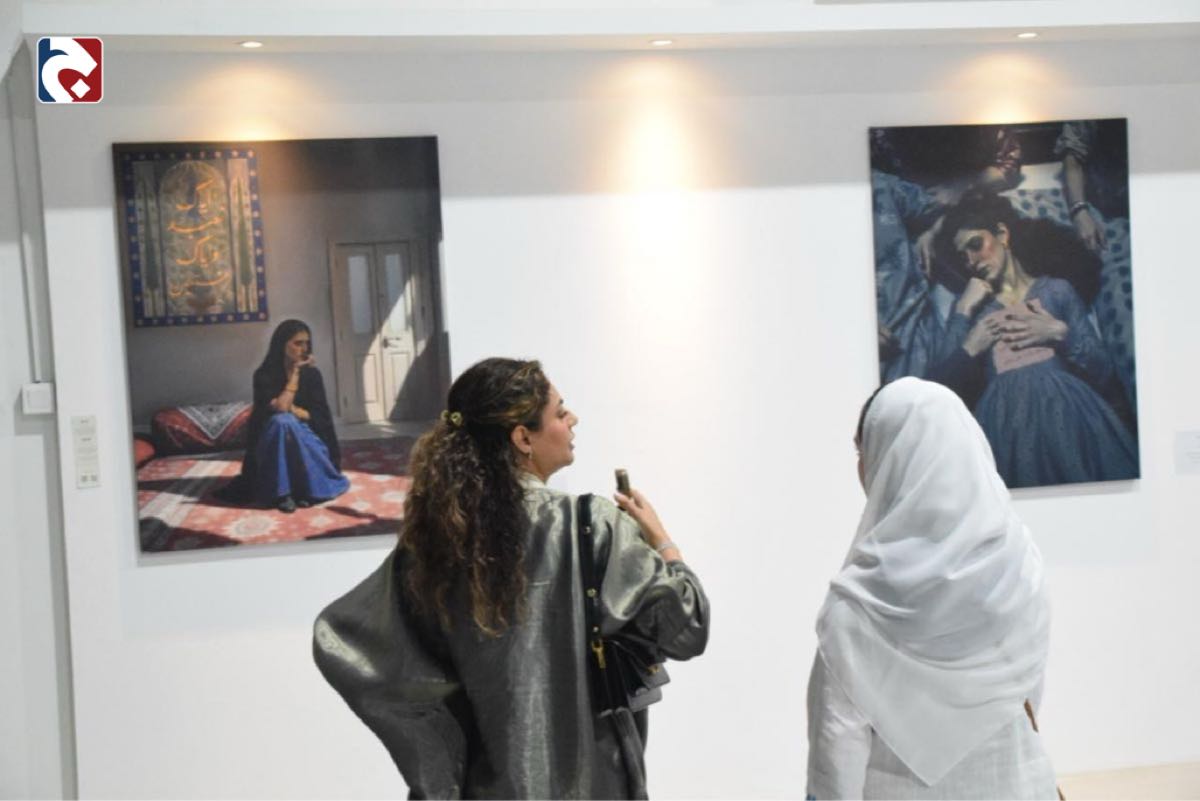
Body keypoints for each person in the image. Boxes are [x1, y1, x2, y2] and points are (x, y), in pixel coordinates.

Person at [313, 357, 709, 799]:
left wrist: (437, 754)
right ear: (522, 437)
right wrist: (663, 541)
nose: (573, 419)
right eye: (560, 412)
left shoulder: (434, 543)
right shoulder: (592, 524)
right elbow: (687, 628)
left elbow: (345, 639)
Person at [807, 377, 1057, 800]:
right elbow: (1028, 692)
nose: (861, 467)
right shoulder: (1019, 565)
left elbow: (837, 753)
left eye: (863, 450)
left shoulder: (858, 606)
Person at [928, 191, 1138, 488]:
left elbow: (1104, 373)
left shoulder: (1055, 291)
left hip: (1072, 418)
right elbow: (937, 394)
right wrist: (963, 315)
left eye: (976, 245)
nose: (972, 261)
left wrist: (1061, 334)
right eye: (963, 256)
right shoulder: (969, 311)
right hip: (1005, 428)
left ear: (1002, 234)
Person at [217, 319, 348, 512]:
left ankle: (301, 491)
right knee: (281, 422)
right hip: (271, 441)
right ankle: (282, 493)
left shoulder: (313, 375)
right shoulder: (264, 375)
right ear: (281, 344)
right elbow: (279, 409)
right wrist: (295, 374)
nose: (304, 349)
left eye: (307, 343)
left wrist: (293, 411)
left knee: (286, 421)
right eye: (298, 343)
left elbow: (319, 416)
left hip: (307, 439)